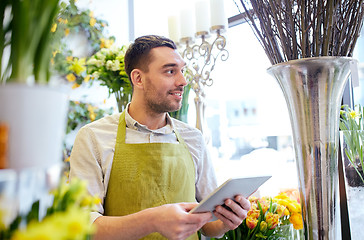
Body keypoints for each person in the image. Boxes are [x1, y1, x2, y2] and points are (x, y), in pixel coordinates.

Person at [69, 35, 251, 240]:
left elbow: (209, 226)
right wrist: (153, 220)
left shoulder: (193, 138)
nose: (183, 81)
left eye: (182, 70)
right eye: (170, 71)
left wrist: (228, 219)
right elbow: (83, 226)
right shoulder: (93, 138)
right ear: (138, 78)